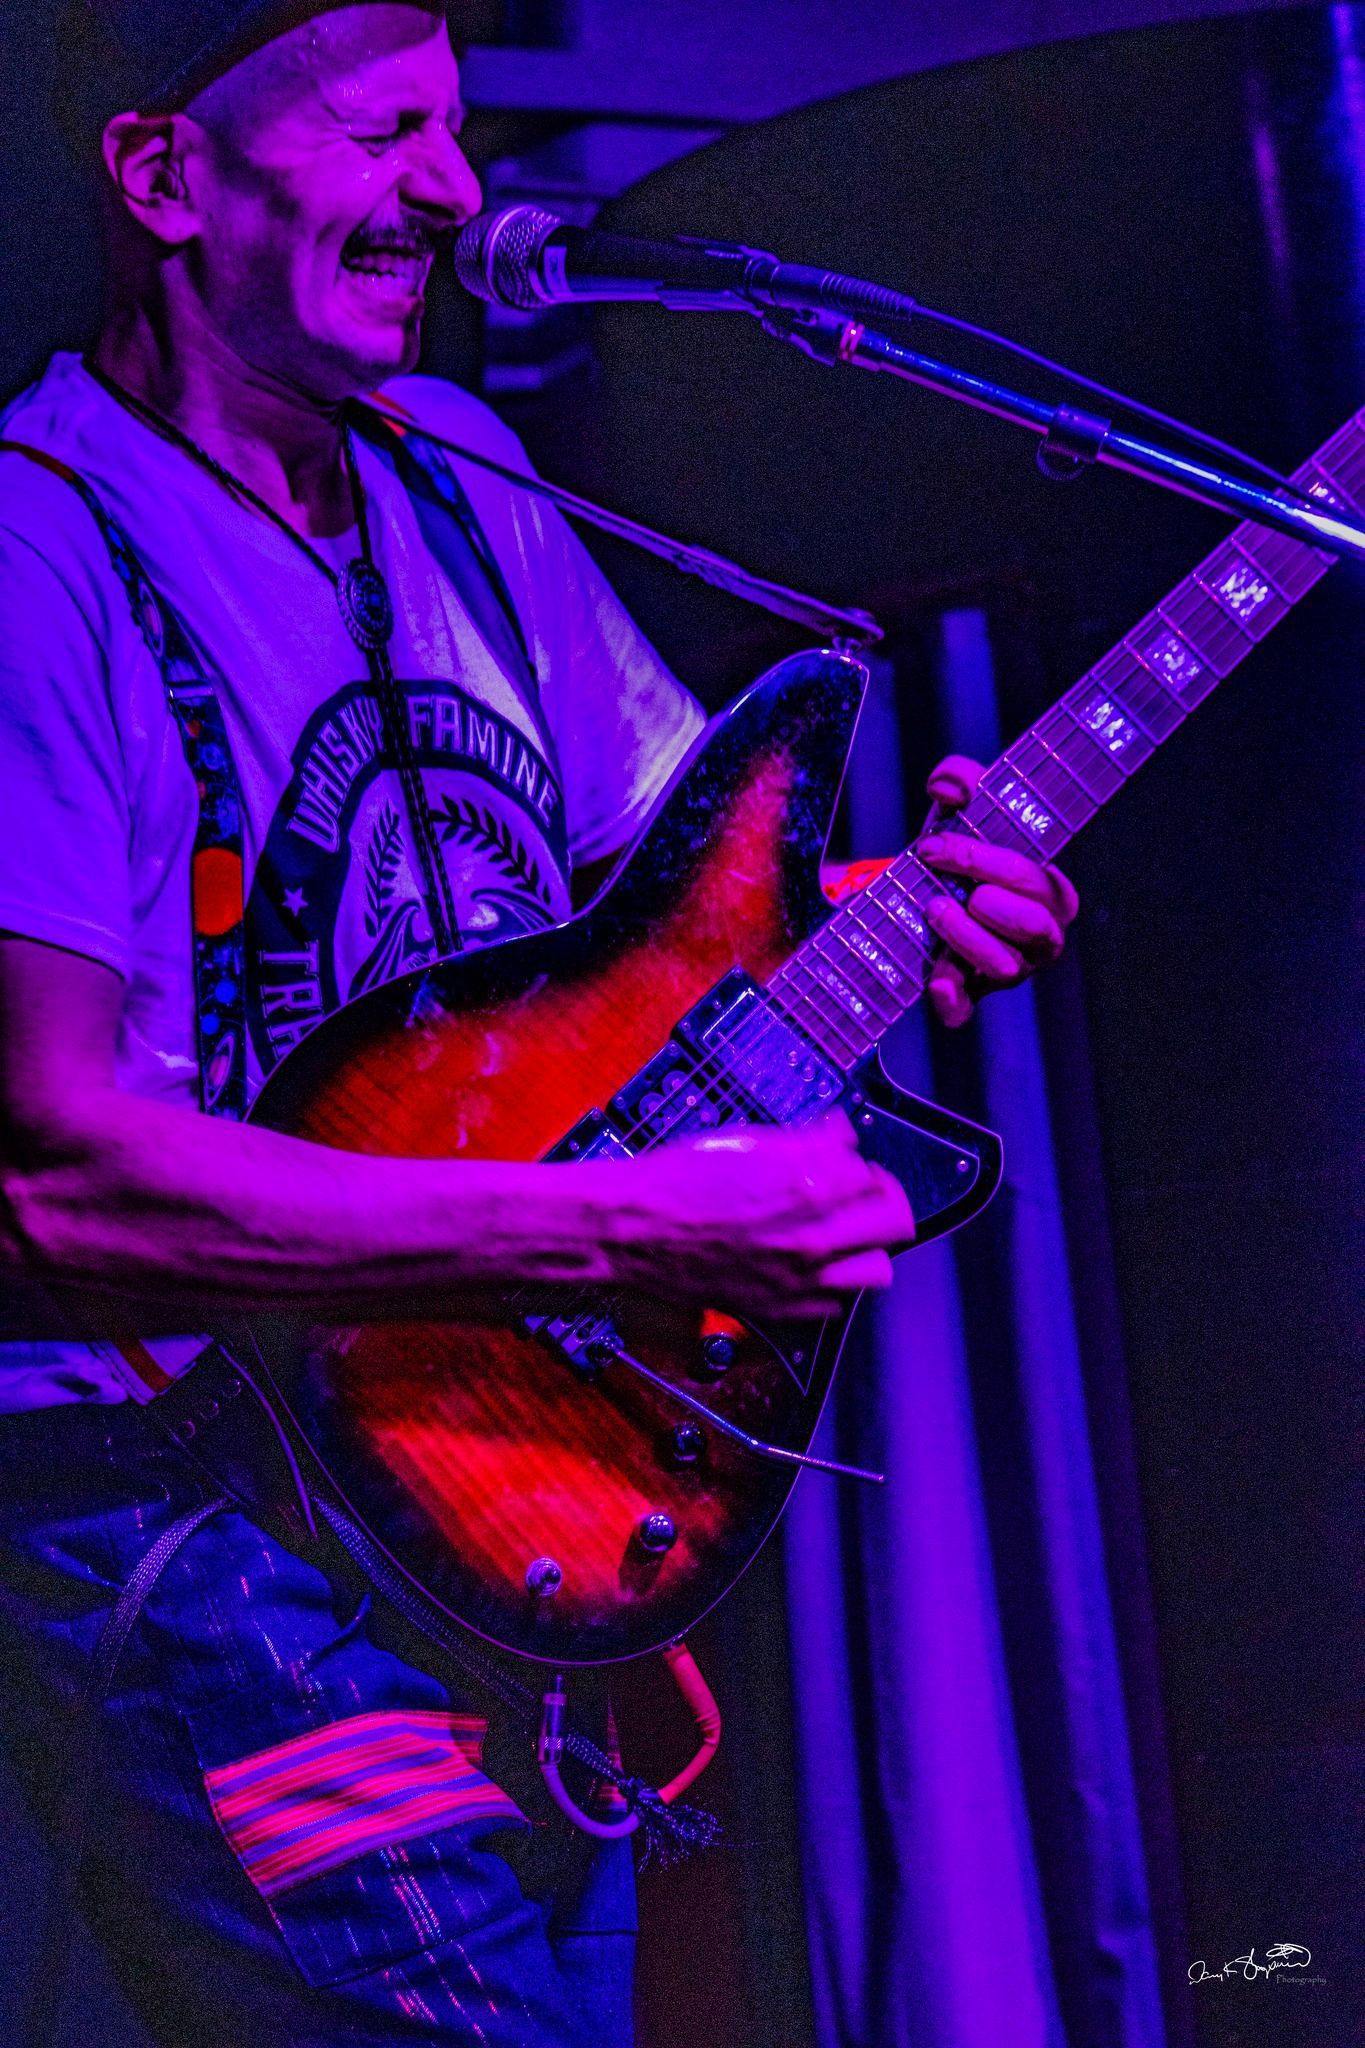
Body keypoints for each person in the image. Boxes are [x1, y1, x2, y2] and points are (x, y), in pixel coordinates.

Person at [0, 4, 1078, 2042]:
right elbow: (43, 1172)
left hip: (497, 1491)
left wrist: (896, 904)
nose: (451, 186)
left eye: (457, 130)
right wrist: (618, 1238)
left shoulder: (461, 484)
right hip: (186, 1518)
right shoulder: (37, 554)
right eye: (384, 128)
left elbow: (655, 945)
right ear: (161, 179)